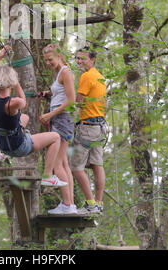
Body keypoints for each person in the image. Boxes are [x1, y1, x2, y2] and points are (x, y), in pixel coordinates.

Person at [0, 45, 68, 187]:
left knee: (25, 117)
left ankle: (3, 153)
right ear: (10, 81)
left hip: (2, 143)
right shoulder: (12, 103)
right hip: (19, 146)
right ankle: (48, 176)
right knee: (55, 137)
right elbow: (23, 101)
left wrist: (0, 56)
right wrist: (17, 84)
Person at [39, 43, 77, 214]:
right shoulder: (59, 73)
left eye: (50, 59)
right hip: (61, 118)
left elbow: (71, 101)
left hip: (62, 119)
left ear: (59, 56)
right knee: (62, 163)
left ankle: (67, 205)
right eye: (46, 61)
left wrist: (50, 115)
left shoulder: (66, 73)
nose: (48, 63)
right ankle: (70, 204)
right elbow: (61, 93)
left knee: (56, 163)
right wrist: (49, 93)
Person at [70, 47, 107, 215]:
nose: (79, 62)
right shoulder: (100, 77)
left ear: (92, 60)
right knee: (97, 164)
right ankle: (98, 203)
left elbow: (78, 102)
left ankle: (90, 203)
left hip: (87, 127)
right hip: (100, 127)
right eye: (77, 59)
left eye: (83, 59)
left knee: (76, 166)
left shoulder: (86, 76)